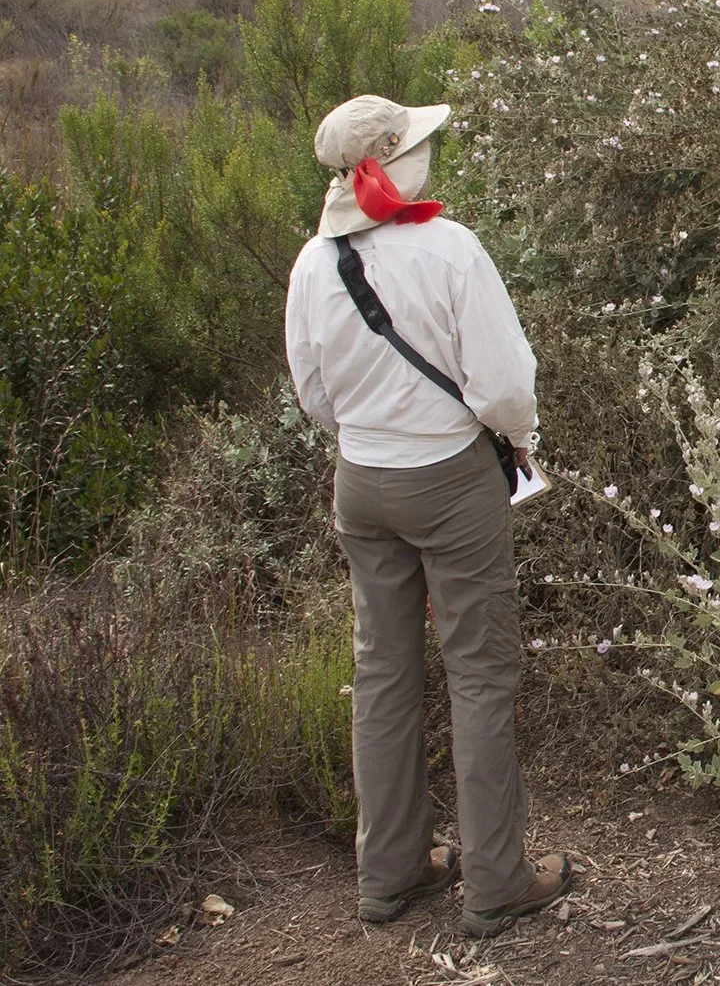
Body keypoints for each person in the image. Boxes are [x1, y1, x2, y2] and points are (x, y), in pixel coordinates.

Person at [285, 94, 572, 938]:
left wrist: (370, 435)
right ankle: (495, 881)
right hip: (449, 481)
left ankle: (393, 872)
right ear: (389, 160)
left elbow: (314, 395)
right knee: (479, 671)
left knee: (381, 670)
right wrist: (516, 440)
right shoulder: (450, 250)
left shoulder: (314, 262)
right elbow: (505, 384)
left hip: (362, 482)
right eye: (417, 142)